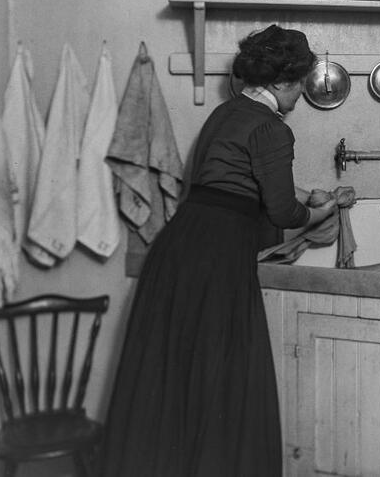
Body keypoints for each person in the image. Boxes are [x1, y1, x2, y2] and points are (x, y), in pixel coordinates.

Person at [101, 24, 354, 477]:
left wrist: (302, 197)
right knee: (225, 378)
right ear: (280, 82)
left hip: (179, 249)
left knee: (174, 376)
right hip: (216, 259)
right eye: (298, 85)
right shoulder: (273, 128)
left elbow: (233, 184)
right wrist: (324, 207)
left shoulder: (226, 113)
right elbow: (281, 212)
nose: (300, 96)